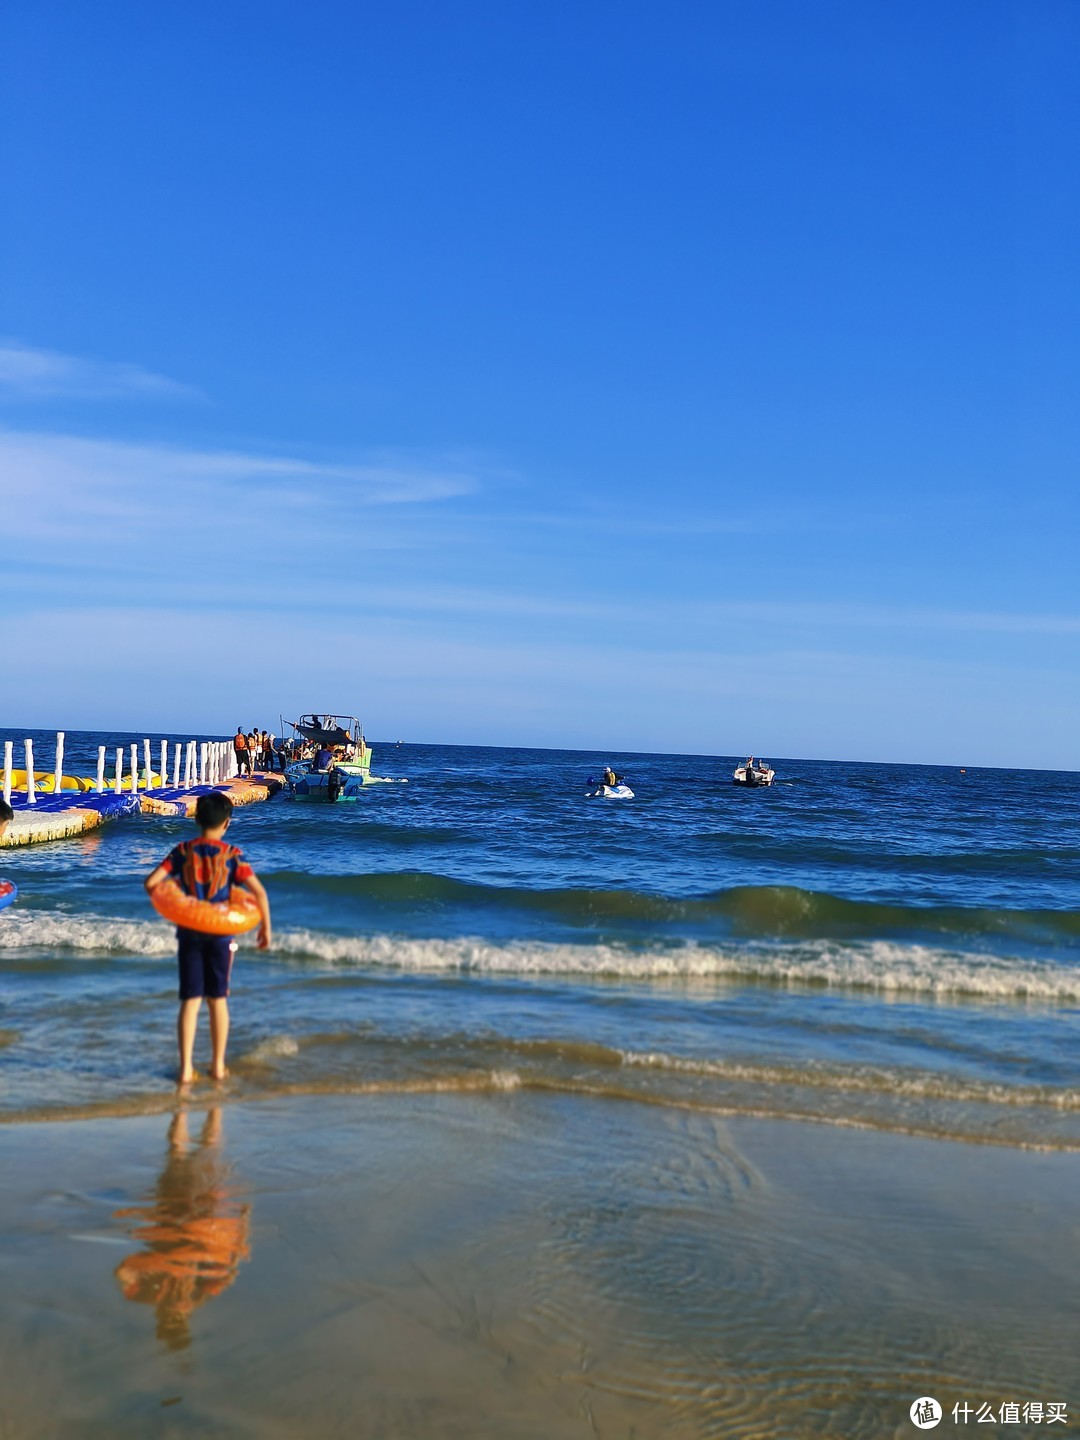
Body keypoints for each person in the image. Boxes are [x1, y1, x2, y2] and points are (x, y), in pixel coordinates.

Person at [144, 792, 271, 1085]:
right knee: (218, 1000)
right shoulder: (232, 856)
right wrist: (266, 929)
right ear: (227, 823)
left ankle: (186, 1069)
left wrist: (175, 904)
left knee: (190, 1001)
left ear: (197, 818)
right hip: (220, 937)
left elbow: (151, 883)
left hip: (189, 934)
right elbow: (260, 893)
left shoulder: (182, 851)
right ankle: (217, 1067)